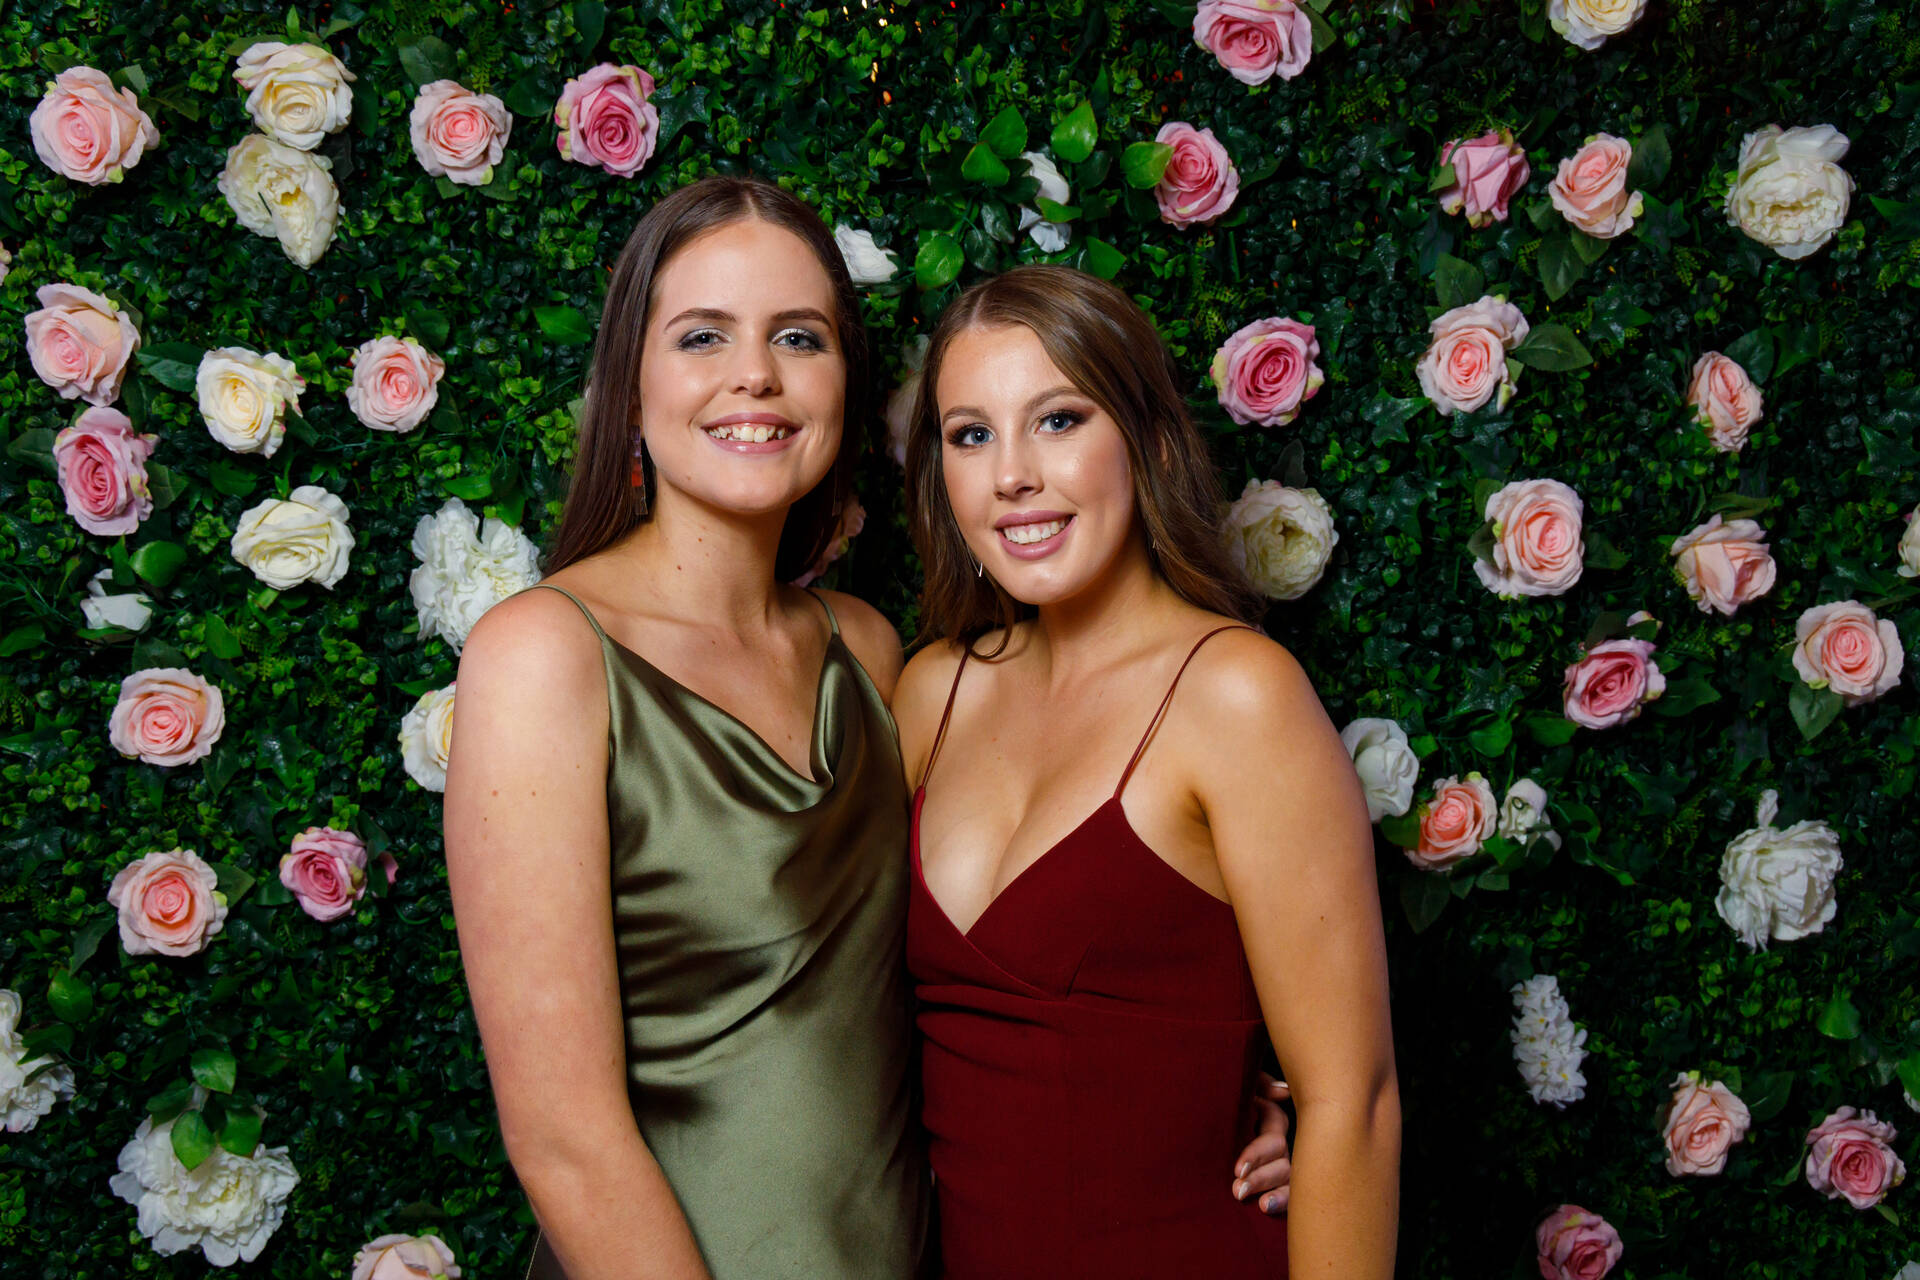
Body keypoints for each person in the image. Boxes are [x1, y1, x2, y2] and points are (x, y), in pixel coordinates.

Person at [444, 182, 1293, 1279]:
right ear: (629, 386)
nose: (756, 374)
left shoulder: (872, 654)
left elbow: (961, 989)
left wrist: (1203, 1102)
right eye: (703, 336)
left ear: (845, 383)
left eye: (798, 337)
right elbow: (564, 1140)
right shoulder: (543, 656)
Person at [896, 265, 1399, 1278]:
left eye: (1058, 420)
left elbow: (1355, 1104)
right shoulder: (930, 693)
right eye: (971, 434)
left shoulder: (1238, 695)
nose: (1011, 475)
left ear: (1149, 440)